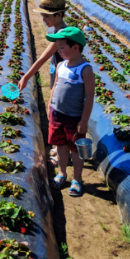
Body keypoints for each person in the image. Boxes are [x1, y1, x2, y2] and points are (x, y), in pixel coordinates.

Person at [45, 27, 95, 197]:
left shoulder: (85, 70)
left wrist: (84, 120)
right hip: (57, 113)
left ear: (76, 47)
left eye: (62, 47)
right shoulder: (60, 65)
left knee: (75, 149)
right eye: (58, 47)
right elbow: (55, 87)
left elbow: (89, 97)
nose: (59, 51)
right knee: (60, 145)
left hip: (74, 117)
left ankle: (77, 179)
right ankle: (62, 173)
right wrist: (50, 105)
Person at [18, 0, 68, 92]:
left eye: (46, 16)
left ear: (58, 15)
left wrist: (26, 78)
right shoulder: (59, 30)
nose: (44, 20)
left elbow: (43, 58)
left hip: (63, 81)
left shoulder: (62, 35)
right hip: (58, 76)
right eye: (43, 16)